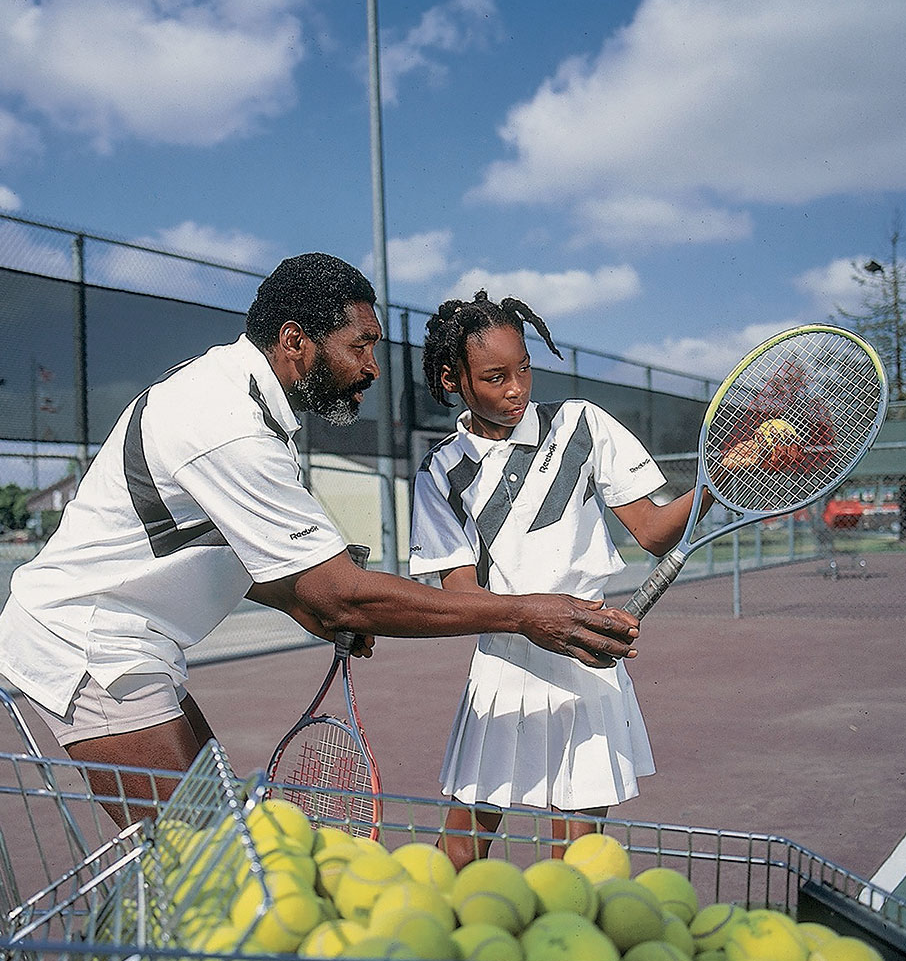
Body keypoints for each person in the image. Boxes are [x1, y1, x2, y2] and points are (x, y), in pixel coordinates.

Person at [0, 255, 640, 826]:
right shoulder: (227, 424)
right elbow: (339, 596)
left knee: (214, 857)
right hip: (88, 646)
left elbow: (271, 574)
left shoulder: (248, 404)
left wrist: (309, 605)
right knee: (210, 872)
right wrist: (527, 613)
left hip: (133, 645)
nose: (371, 368)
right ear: (295, 342)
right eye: (360, 347)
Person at [409, 290, 713, 870]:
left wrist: (723, 473)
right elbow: (462, 596)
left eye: (524, 368)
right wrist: (538, 617)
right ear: (454, 379)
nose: (517, 388)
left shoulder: (581, 424)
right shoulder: (440, 472)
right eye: (496, 377)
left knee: (579, 868)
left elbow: (651, 530)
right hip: (503, 663)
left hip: (585, 661)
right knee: (457, 855)